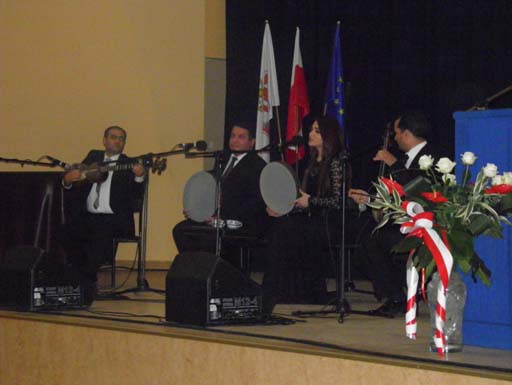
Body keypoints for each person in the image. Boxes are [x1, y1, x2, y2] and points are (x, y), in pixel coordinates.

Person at [349, 111, 441, 316]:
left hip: (427, 224)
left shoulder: (432, 155)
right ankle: (396, 294)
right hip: (405, 221)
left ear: (407, 134)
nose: (395, 138)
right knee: (366, 237)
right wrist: (368, 198)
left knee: (375, 240)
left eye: (397, 133)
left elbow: (420, 187)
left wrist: (393, 163)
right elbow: (396, 194)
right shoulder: (404, 159)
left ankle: (398, 297)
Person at [262, 116, 350, 313]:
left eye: (317, 131)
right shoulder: (310, 163)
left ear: (329, 136)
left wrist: (310, 202)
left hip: (329, 221)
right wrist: (282, 209)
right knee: (280, 225)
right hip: (310, 218)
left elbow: (337, 201)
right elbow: (302, 200)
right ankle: (280, 288)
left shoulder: (336, 163)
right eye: (311, 130)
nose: (310, 134)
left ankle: (286, 289)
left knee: (290, 230)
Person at [61, 126, 145, 302]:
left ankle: (83, 287)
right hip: (89, 217)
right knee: (68, 233)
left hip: (114, 219)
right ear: (104, 140)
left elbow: (136, 194)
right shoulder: (93, 156)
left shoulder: (128, 163)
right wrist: (67, 180)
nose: (117, 141)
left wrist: (139, 177)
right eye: (113, 137)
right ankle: (79, 283)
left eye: (121, 138)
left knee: (99, 235)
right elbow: (76, 183)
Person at [172, 122, 268, 262]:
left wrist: (221, 219)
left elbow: (253, 204)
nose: (235, 140)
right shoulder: (222, 159)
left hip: (238, 222)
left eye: (241, 137)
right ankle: (195, 271)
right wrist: (197, 210)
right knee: (180, 230)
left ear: (251, 142)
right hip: (214, 218)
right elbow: (211, 191)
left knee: (208, 238)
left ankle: (211, 271)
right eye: (233, 136)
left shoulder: (257, 166)